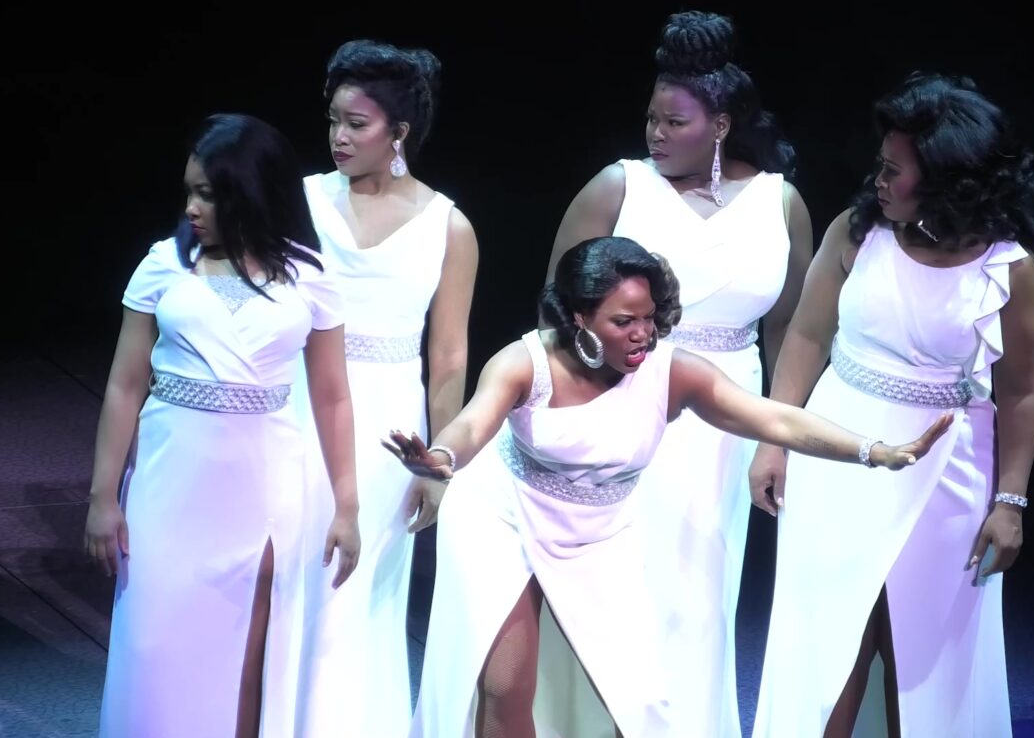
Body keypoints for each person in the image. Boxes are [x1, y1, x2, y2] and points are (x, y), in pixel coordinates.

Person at [387, 235, 952, 738]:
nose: (643, 334)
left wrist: (872, 450)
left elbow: (774, 420)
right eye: (623, 322)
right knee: (506, 686)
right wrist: (442, 457)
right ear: (580, 318)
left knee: (637, 699)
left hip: (600, 531)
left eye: (649, 317)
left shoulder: (671, 371)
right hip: (503, 516)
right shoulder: (526, 362)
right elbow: (473, 424)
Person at [749, 72, 1034, 738]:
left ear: (946, 181)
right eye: (880, 164)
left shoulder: (1009, 268)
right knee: (829, 641)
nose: (877, 180)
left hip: (949, 473)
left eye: (893, 169)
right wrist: (774, 439)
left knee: (924, 654)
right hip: (838, 452)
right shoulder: (857, 233)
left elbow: (1022, 390)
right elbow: (806, 336)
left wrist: (1010, 501)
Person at [541, 12, 813, 735]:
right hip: (625, 401)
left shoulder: (780, 201)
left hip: (727, 417)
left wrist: (776, 438)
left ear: (720, 126)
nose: (656, 133)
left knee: (702, 590)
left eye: (675, 121)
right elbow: (557, 311)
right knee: (622, 583)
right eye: (651, 118)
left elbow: (791, 331)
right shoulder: (619, 186)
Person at [83, 113, 361, 738]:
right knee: (154, 648)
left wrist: (347, 505)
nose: (192, 208)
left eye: (207, 194)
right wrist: (103, 497)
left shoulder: (309, 275)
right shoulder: (164, 265)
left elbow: (333, 396)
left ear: (250, 193)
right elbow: (124, 386)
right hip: (169, 483)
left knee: (246, 654)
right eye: (189, 191)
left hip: (264, 486)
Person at [289, 38, 478, 738]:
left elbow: (449, 357)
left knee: (361, 583)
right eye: (333, 120)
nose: (338, 136)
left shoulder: (448, 225)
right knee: (293, 573)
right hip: (299, 403)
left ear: (397, 133)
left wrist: (438, 466)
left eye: (356, 124)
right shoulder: (302, 200)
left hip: (389, 424)